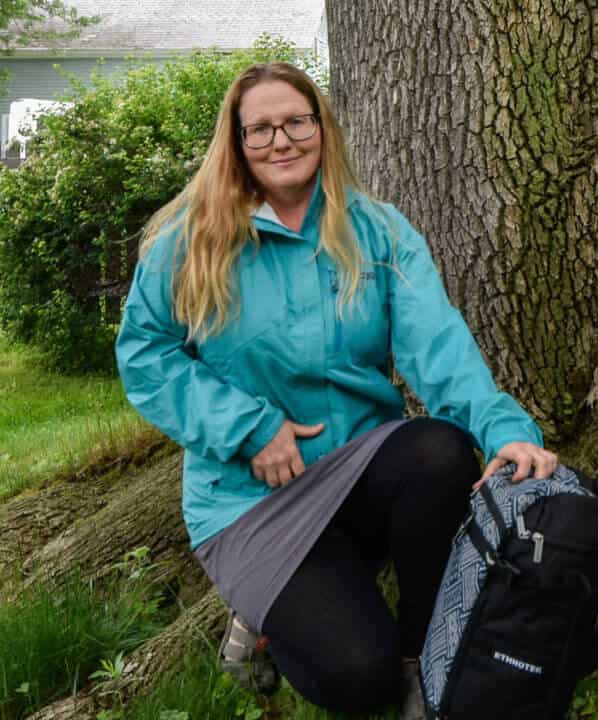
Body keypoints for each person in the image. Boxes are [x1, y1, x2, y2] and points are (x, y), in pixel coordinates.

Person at [115, 62, 557, 719]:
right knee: (356, 680)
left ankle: (423, 662)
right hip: (249, 502)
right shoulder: (190, 241)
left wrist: (505, 430)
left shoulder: (376, 231)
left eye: (296, 121)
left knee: (438, 450)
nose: (281, 140)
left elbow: (438, 347)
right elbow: (145, 356)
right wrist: (246, 428)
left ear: (321, 128)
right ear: (235, 144)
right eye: (259, 129)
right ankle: (264, 622)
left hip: (358, 474)